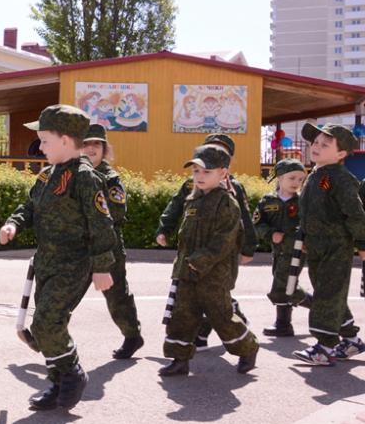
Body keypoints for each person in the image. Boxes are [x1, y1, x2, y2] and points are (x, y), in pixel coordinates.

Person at [0, 105, 116, 411]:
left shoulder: (85, 178)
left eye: (45, 140)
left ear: (65, 140)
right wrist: (13, 223)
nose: (40, 146)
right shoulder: (47, 174)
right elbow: (29, 206)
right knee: (48, 325)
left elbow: (102, 225)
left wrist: (103, 268)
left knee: (47, 322)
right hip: (46, 262)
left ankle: (73, 373)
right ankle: (57, 381)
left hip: (74, 263)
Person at [159, 144, 259, 377]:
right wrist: (183, 264)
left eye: (206, 172)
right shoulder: (193, 200)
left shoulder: (226, 203)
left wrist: (199, 261)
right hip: (187, 271)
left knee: (221, 317)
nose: (199, 177)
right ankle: (179, 359)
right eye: (196, 171)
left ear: (223, 173)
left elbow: (224, 240)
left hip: (213, 275)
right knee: (182, 315)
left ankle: (248, 348)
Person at [292, 124, 365, 365]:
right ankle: (351, 341)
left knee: (326, 294)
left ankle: (324, 347)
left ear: (341, 154)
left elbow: (355, 214)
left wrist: (362, 243)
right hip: (317, 246)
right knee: (330, 293)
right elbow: (311, 211)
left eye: (325, 144)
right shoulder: (319, 176)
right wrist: (304, 237)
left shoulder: (341, 179)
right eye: (316, 143)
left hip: (336, 246)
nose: (317, 147)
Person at [81, 124, 143, 359]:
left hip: (108, 246)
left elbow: (116, 212)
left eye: (96, 144)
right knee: (64, 293)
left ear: (104, 148)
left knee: (116, 294)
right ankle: (48, 336)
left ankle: (132, 336)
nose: (90, 148)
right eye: (85, 143)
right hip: (79, 247)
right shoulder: (73, 173)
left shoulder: (110, 178)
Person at [253, 158, 312, 337]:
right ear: (279, 178)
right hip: (278, 251)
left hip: (296, 250)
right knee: (285, 283)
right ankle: (288, 322)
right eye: (292, 178)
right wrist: (270, 234)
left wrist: (308, 243)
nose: (296, 183)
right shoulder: (267, 201)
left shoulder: (303, 202)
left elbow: (311, 225)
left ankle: (286, 323)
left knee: (284, 284)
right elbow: (256, 223)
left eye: (300, 179)